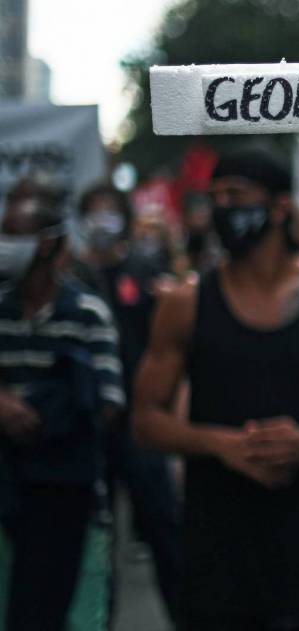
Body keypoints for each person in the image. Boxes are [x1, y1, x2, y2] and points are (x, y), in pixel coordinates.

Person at [133, 149, 299, 630]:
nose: (221, 209)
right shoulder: (186, 304)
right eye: (214, 198)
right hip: (218, 546)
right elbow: (145, 419)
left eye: (236, 196)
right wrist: (221, 444)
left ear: (280, 207)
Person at [0, 178, 124, 630]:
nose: (6, 245)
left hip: (68, 502)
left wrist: (51, 411)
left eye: (16, 235)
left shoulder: (87, 314)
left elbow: (110, 407)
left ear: (49, 243)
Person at [73, 183, 183, 620]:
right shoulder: (72, 276)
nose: (102, 221)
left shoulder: (144, 269)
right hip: (91, 423)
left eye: (109, 211)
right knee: (97, 539)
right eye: (93, 211)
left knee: (163, 527)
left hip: (140, 424)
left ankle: (184, 615)